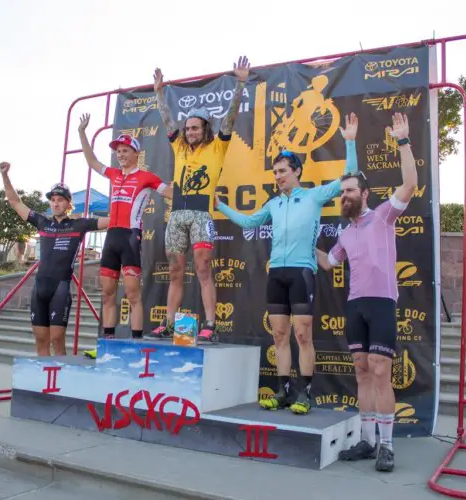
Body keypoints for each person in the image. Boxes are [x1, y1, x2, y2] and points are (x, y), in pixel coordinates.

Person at [215, 112, 361, 415]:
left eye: (282, 171)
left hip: (302, 272)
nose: (278, 176)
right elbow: (248, 221)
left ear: (296, 171)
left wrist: (349, 143)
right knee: (279, 335)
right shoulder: (274, 203)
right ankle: (283, 391)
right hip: (277, 274)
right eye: (275, 172)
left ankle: (304, 393)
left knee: (302, 335)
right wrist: (219, 205)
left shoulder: (314, 196)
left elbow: (350, 177)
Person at [316, 112, 417, 473]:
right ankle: (367, 440)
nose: (344, 196)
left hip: (381, 304)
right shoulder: (345, 233)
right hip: (355, 305)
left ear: (365, 194)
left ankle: (387, 446)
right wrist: (303, 243)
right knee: (360, 370)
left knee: (380, 371)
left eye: (349, 191)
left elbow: (409, 184)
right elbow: (329, 263)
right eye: (341, 192)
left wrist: (403, 141)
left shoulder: (384, 216)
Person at [149, 56, 250, 343]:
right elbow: (167, 118)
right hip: (177, 216)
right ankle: (169, 324)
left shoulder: (219, 145)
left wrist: (240, 83)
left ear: (206, 128)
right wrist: (158, 92)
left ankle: (209, 323)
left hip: (202, 216)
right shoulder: (179, 146)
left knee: (204, 268)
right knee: (176, 270)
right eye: (189, 127)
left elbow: (230, 116)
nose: (191, 131)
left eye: (196, 127)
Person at [77, 114, 172, 354]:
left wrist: (196, 193)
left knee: (132, 294)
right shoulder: (113, 174)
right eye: (118, 151)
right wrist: (81, 133)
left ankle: (137, 344)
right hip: (111, 238)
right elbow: (92, 161)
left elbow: (169, 193)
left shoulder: (147, 177)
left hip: (131, 237)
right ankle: (107, 344)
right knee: (108, 294)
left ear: (136, 153)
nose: (120, 155)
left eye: (125, 151)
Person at [0, 162, 109, 356]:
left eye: (60, 200)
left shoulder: (79, 224)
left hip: (61, 287)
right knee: (41, 340)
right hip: (40, 287)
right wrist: (5, 176)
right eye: (53, 200)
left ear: (68, 203)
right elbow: (15, 202)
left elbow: (112, 220)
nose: (56, 203)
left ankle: (60, 382)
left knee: (57, 339)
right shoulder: (42, 222)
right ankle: (44, 384)